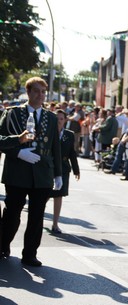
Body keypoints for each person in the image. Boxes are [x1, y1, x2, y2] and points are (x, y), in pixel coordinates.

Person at [0, 76, 62, 267]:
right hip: (18, 172)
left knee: (37, 216)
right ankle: (3, 245)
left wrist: (58, 173)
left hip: (42, 174)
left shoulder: (51, 118)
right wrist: (18, 150)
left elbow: (55, 147)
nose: (40, 95)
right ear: (28, 92)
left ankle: (30, 254)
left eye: (43, 92)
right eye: (36, 91)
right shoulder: (11, 114)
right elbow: (1, 139)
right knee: (12, 215)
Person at [48, 109, 80, 234]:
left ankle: (55, 224)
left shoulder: (69, 134)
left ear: (65, 120)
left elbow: (72, 153)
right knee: (44, 195)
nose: (59, 121)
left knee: (59, 195)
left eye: (61, 119)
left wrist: (76, 169)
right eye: (57, 119)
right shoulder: (49, 133)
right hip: (49, 167)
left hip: (63, 168)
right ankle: (37, 219)